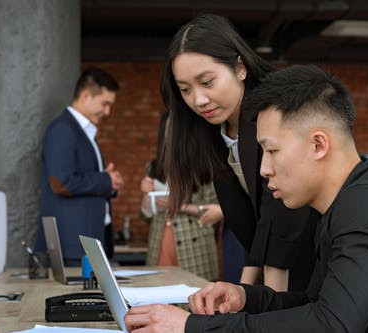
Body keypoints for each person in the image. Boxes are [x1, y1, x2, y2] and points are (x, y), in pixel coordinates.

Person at [123, 65, 368, 332]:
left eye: (271, 151)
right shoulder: (346, 201)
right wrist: (247, 297)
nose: (263, 169)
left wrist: (189, 326)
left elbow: (331, 325)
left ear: (318, 144)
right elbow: (316, 303)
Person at [160, 13, 319, 292]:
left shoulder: (277, 111)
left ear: (240, 68)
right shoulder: (215, 130)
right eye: (185, 89)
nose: (198, 100)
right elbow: (256, 226)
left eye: (207, 82)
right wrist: (244, 295)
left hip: (319, 260)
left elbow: (280, 214)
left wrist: (261, 301)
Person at [35, 66, 124, 265]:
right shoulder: (62, 130)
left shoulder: (82, 132)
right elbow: (61, 182)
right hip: (72, 247)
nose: (108, 111)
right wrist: (104, 180)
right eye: (105, 103)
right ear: (85, 96)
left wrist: (109, 182)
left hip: (86, 244)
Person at [140, 113, 222, 281]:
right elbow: (146, 215)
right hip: (160, 239)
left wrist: (179, 205)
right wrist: (145, 195)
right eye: (170, 129)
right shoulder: (154, 167)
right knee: (159, 297)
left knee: (194, 301)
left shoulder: (204, 165)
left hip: (195, 245)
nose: (174, 134)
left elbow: (217, 210)